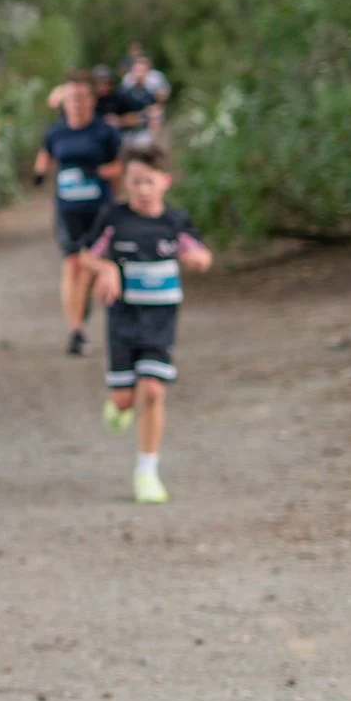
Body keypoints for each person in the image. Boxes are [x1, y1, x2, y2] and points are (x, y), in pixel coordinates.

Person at [78, 139, 213, 504]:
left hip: (160, 321)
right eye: (135, 181)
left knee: (153, 390)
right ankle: (118, 406)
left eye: (149, 181)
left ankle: (147, 472)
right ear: (125, 182)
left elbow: (197, 251)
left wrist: (198, 259)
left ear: (165, 181)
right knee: (125, 399)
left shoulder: (175, 221)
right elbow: (85, 257)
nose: (142, 189)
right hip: (123, 319)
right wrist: (105, 268)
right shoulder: (113, 218)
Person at [31, 71, 126, 355]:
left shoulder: (105, 132)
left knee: (92, 265)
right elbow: (46, 153)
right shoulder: (56, 131)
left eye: (83, 98)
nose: (77, 103)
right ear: (65, 101)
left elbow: (120, 167)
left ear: (92, 101)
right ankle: (75, 330)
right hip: (67, 209)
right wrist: (39, 172)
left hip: (99, 208)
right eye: (72, 98)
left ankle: (85, 312)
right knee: (72, 264)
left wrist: (96, 172)